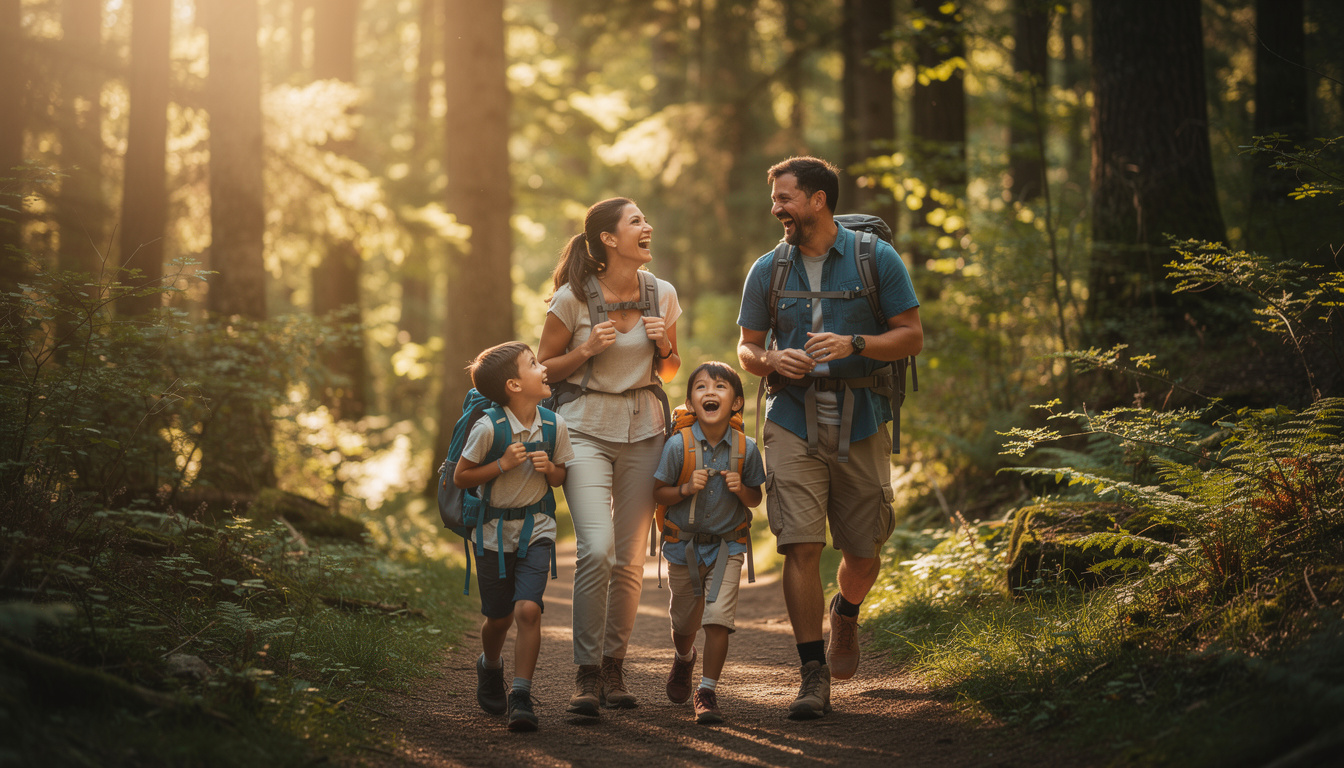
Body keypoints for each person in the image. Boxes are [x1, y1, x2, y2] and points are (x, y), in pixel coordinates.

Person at [736, 156, 922, 720]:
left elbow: (911, 336)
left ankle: (846, 610)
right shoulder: (767, 269)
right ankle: (812, 671)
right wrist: (769, 358)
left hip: (863, 415)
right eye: (775, 199)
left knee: (863, 553)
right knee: (800, 543)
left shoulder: (876, 259)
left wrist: (856, 345)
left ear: (818, 199)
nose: (777, 209)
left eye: (786, 198)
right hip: (791, 418)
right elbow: (746, 348)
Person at [537, 197, 681, 716]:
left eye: (646, 218)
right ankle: (585, 672)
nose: (648, 226)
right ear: (609, 239)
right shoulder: (571, 299)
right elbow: (542, 370)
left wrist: (666, 348)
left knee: (631, 557)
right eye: (636, 221)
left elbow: (667, 372)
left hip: (645, 430)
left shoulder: (660, 293)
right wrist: (583, 353)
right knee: (595, 548)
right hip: (585, 431)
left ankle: (614, 667)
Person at [454, 341, 574, 732]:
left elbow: (561, 476)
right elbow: (462, 476)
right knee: (499, 618)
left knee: (528, 610)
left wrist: (549, 470)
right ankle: (490, 665)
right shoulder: (489, 428)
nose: (543, 367)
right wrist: (502, 464)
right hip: (491, 535)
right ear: (514, 385)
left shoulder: (554, 425)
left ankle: (520, 694)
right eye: (533, 363)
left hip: (536, 531)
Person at [653, 361, 765, 725]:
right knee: (684, 624)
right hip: (683, 547)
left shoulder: (747, 448)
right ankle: (685, 659)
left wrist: (742, 488)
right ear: (690, 401)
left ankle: (707, 690)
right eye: (701, 387)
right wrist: (685, 488)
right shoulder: (676, 446)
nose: (710, 392)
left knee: (718, 619)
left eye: (720, 386)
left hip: (727, 547)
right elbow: (659, 493)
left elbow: (755, 499)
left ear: (736, 402)